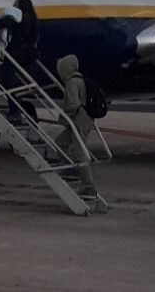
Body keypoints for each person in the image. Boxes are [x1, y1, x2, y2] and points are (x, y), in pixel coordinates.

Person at [0, 0, 39, 122]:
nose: (13, 6)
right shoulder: (31, 20)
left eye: (15, 3)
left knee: (8, 84)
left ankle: (15, 112)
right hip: (26, 58)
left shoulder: (19, 17)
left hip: (14, 55)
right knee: (14, 85)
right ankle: (22, 112)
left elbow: (6, 22)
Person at [54, 54, 97, 199]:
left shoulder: (72, 83)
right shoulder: (80, 79)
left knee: (79, 154)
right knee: (60, 143)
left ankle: (89, 187)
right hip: (81, 120)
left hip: (78, 121)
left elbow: (72, 104)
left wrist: (64, 116)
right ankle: (70, 170)